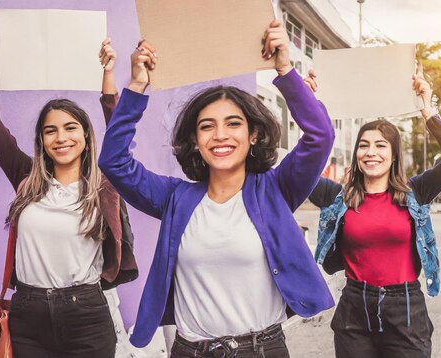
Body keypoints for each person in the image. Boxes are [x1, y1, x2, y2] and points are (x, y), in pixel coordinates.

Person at [99, 20, 335, 358]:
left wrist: (284, 68)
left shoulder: (276, 189)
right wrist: (138, 84)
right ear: (195, 142)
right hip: (190, 350)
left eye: (233, 124)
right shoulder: (175, 198)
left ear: (253, 135)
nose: (220, 135)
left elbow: (320, 137)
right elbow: (114, 162)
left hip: (261, 350)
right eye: (207, 126)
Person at [0, 28, 137, 357]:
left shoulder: (105, 183)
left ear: (87, 137)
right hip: (28, 316)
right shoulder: (27, 176)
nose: (61, 137)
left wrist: (108, 73)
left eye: (70, 128)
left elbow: (119, 131)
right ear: (43, 141)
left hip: (86, 316)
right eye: (51, 131)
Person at [306, 67, 441, 357]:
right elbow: (297, 170)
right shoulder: (337, 197)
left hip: (405, 309)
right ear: (356, 153)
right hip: (354, 309)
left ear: (394, 155)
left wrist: (427, 110)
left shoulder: (415, 192)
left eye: (381, 145)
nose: (371, 152)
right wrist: (306, 103)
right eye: (364, 145)